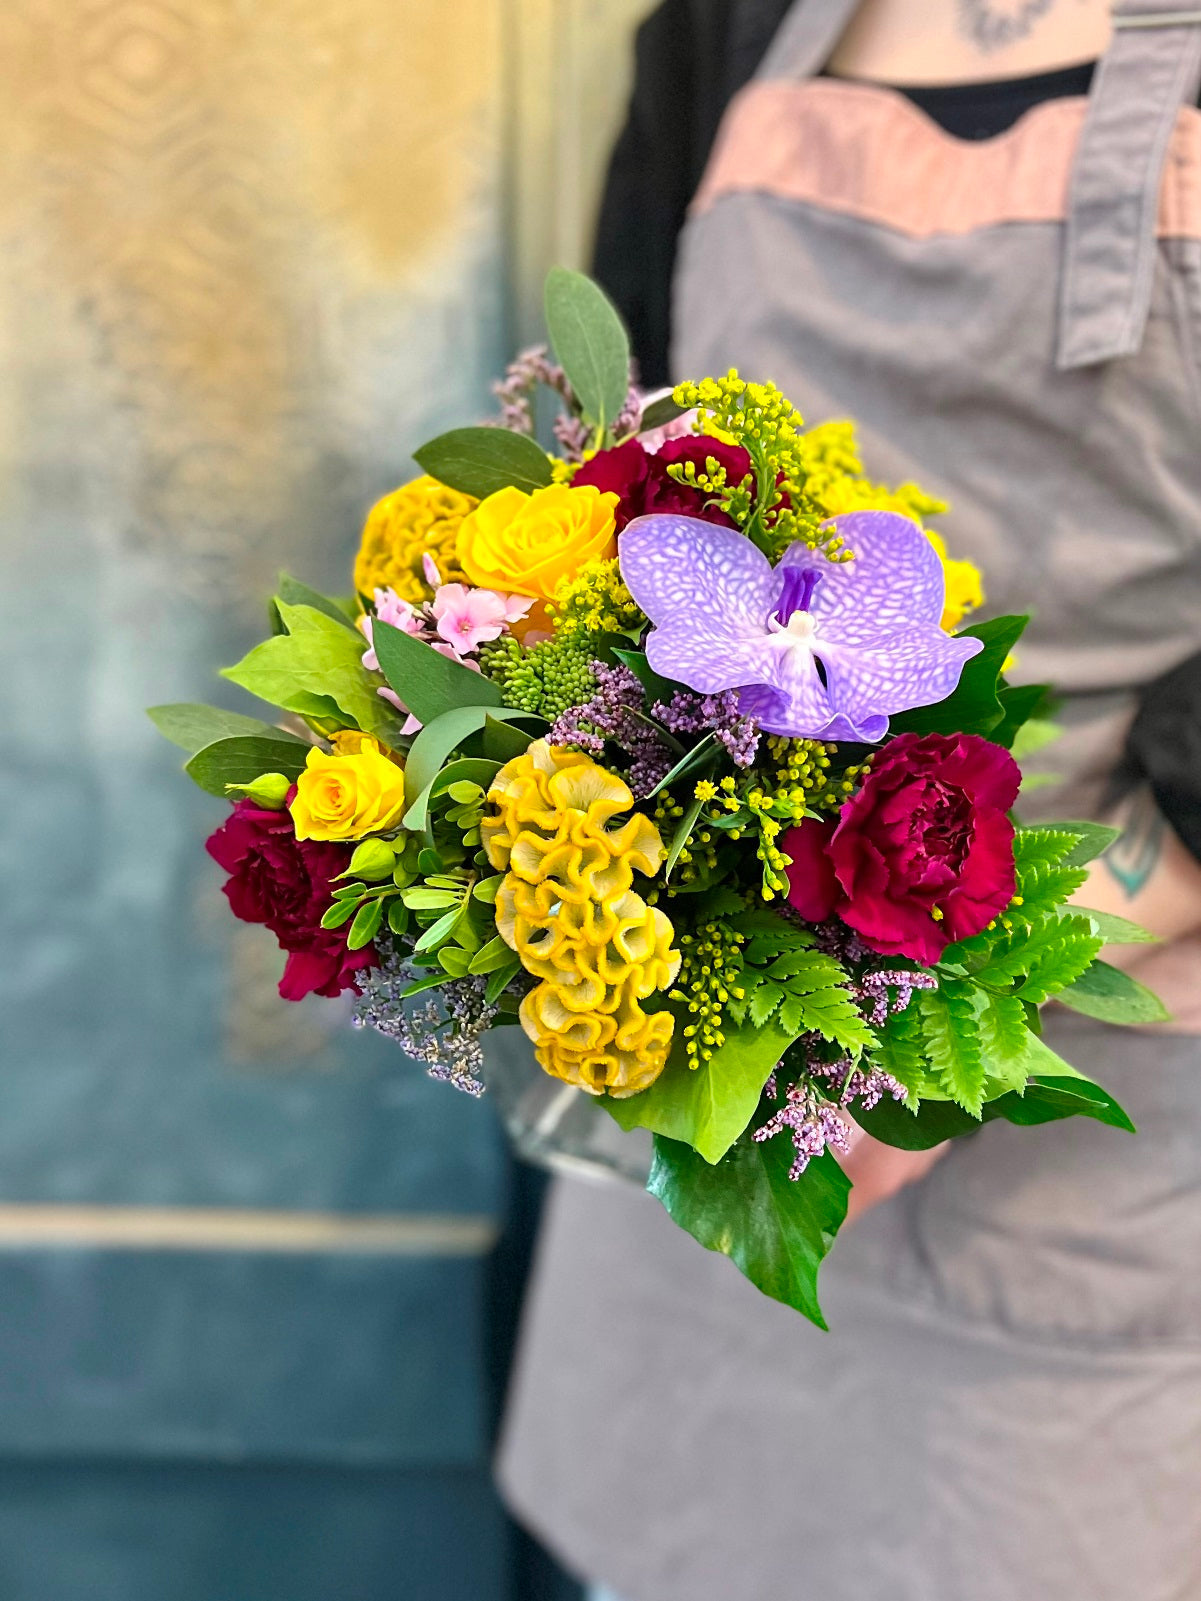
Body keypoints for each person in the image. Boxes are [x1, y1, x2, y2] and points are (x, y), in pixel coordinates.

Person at [498, 3, 1201, 1599]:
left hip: (1123, 1108)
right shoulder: (724, 24)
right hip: (741, 1072)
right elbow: (631, 487)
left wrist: (970, 976)